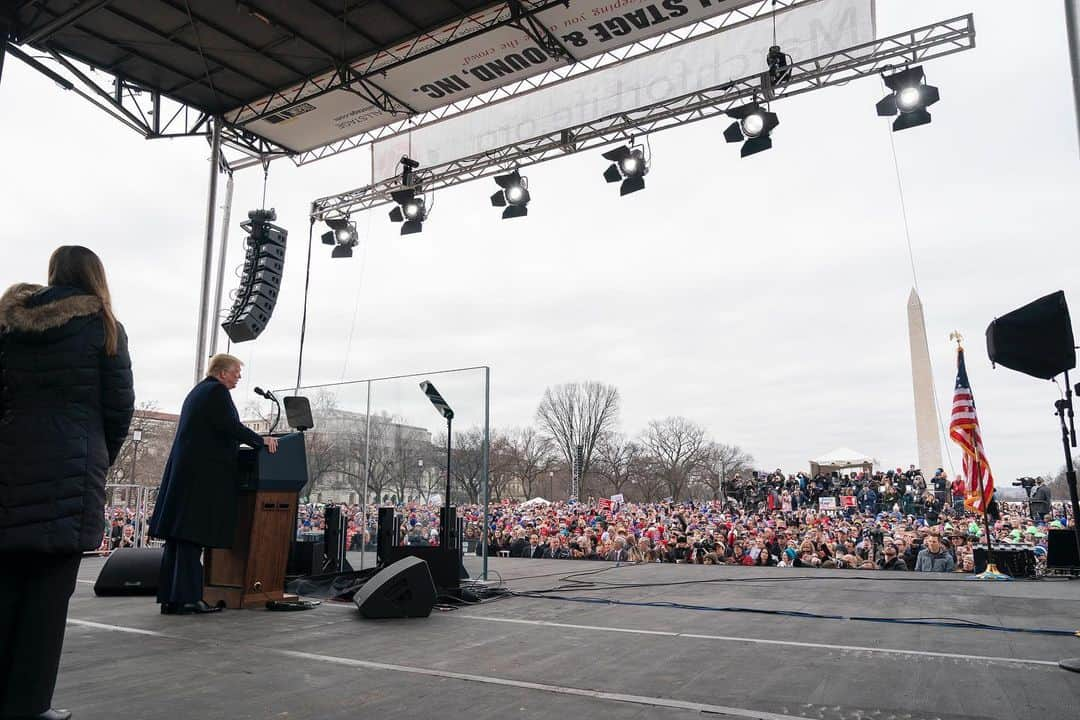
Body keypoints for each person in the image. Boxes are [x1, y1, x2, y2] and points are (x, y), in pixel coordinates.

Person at [0, 246, 134, 720]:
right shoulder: (104, 328)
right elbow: (119, 411)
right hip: (72, 473)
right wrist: (96, 457)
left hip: (10, 469)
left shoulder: (9, 325)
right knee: (47, 602)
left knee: (6, 589)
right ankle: (30, 706)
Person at [148, 354, 277, 615]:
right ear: (221, 372)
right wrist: (260, 441)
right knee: (191, 538)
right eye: (236, 372)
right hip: (200, 479)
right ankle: (188, 599)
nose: (239, 377)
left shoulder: (199, 391)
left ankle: (173, 599)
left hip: (186, 476)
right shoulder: (216, 392)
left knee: (179, 541)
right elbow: (230, 426)